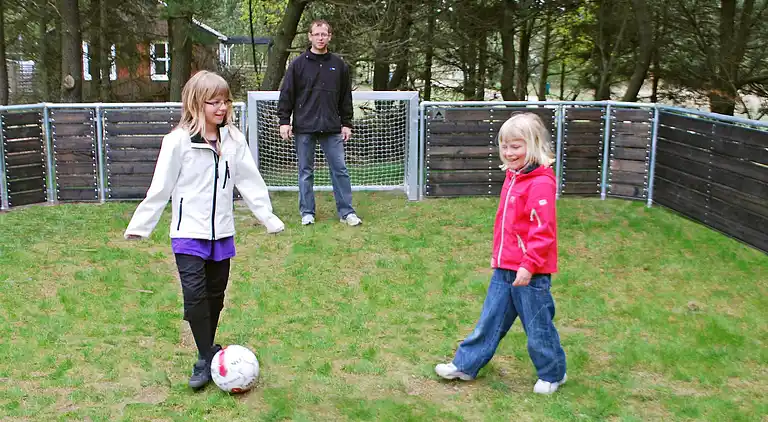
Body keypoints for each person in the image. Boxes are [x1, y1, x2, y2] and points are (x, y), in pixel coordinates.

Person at [124, 71, 285, 390]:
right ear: (196, 103)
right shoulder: (178, 142)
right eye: (214, 102)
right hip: (187, 234)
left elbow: (249, 182)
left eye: (225, 101)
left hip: (222, 233)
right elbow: (161, 187)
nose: (221, 107)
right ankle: (204, 358)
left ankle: (208, 349)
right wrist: (140, 226)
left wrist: (268, 218)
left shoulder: (234, 141)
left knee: (215, 297)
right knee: (195, 296)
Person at [434, 113, 567, 394]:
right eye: (504, 146)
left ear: (534, 145)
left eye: (516, 146)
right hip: (505, 267)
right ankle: (466, 365)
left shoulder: (541, 182)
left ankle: (553, 373)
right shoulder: (514, 176)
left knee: (537, 326)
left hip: (531, 272)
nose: (508, 152)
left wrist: (529, 265)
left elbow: (543, 230)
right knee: (490, 320)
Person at [277, 19, 362, 227]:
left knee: (340, 170)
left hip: (332, 127)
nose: (320, 38)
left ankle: (347, 212)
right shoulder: (297, 65)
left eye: (324, 34)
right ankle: (307, 212)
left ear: (329, 36)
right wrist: (284, 121)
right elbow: (287, 94)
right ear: (310, 36)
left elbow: (345, 98)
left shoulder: (339, 65)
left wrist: (347, 123)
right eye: (317, 34)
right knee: (305, 171)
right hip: (304, 127)